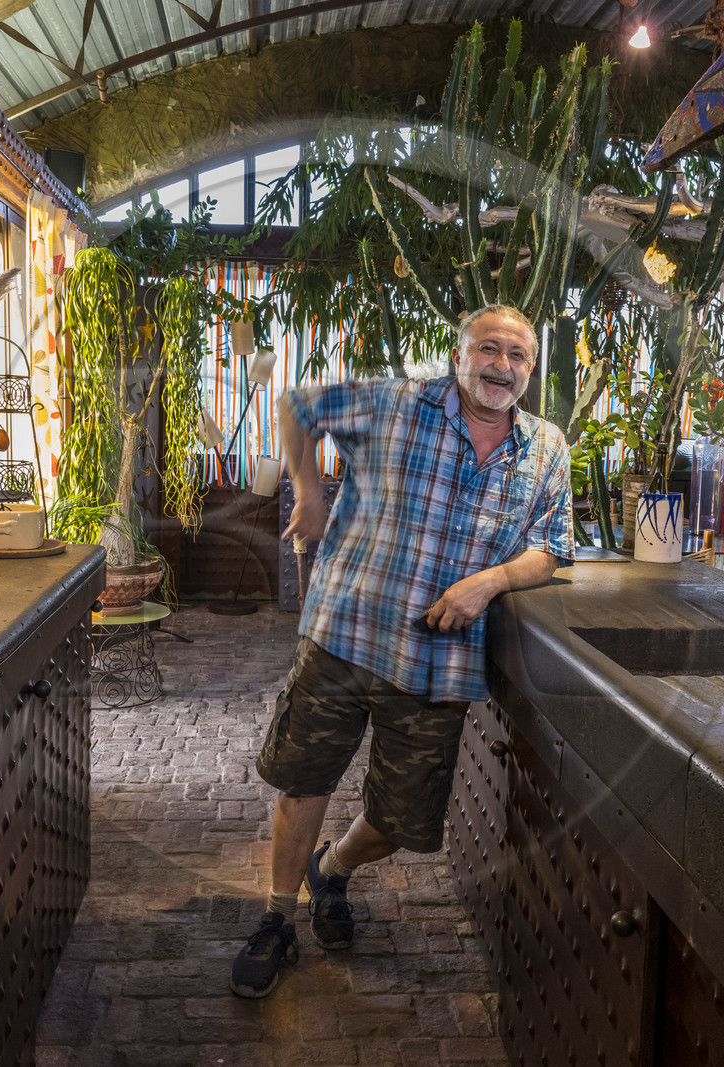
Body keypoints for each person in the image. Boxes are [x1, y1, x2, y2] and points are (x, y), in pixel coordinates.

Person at [229, 303, 574, 998]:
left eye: (517, 356)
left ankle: (332, 869)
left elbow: (554, 549)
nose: (501, 366)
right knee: (306, 782)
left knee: (401, 820)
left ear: (531, 371)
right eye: (489, 349)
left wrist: (487, 582)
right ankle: (276, 918)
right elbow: (299, 407)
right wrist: (308, 492)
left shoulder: (545, 448)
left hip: (437, 658)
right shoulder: (397, 402)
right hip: (346, 629)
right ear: (459, 355)